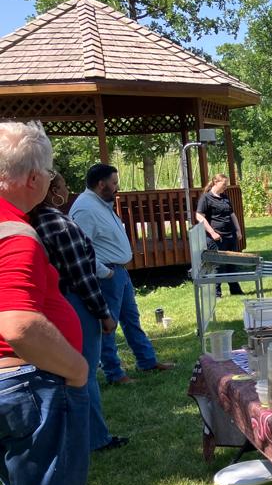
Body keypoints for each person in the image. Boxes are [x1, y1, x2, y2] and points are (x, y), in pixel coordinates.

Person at [0, 121, 101, 485]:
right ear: (34, 177)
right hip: (26, 384)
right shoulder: (15, 233)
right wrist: (77, 368)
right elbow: (17, 323)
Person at [31, 171, 124, 452]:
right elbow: (82, 276)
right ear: (51, 191)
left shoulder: (34, 222)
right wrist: (103, 313)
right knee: (83, 370)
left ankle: (71, 435)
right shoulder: (57, 224)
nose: (67, 189)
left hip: (54, 302)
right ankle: (95, 437)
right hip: (74, 303)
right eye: (61, 185)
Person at [70, 163, 175, 385]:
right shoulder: (85, 209)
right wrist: (104, 272)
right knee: (108, 326)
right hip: (107, 275)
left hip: (119, 273)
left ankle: (147, 361)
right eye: (114, 183)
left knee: (131, 319)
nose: (117, 187)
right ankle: (114, 374)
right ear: (101, 184)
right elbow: (80, 249)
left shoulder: (101, 203)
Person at [195, 172, 244, 297]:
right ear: (216, 182)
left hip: (230, 235)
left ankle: (235, 290)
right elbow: (199, 215)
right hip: (216, 237)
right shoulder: (206, 198)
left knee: (232, 262)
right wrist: (212, 232)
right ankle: (216, 293)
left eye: (226, 184)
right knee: (218, 265)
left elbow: (232, 214)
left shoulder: (225, 197)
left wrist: (238, 230)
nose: (225, 187)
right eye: (224, 184)